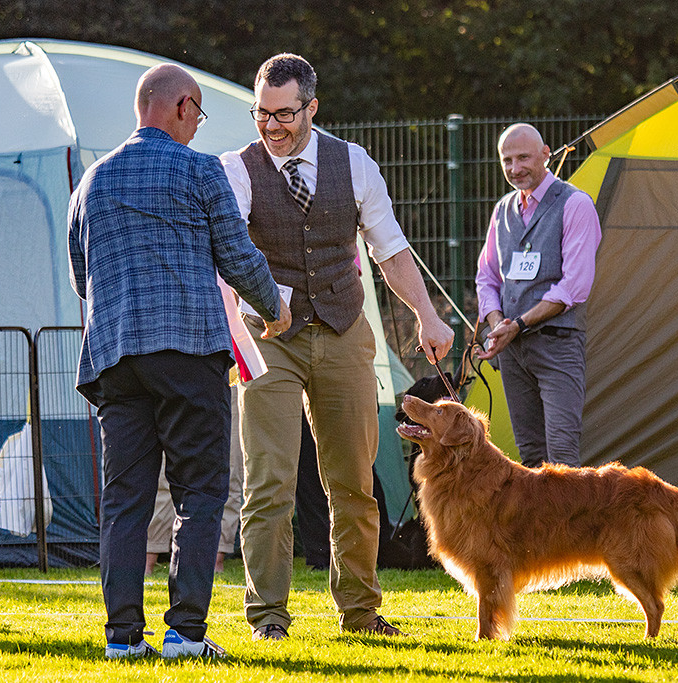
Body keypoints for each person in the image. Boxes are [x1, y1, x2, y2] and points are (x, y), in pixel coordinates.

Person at [220, 53, 454, 641]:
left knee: (353, 482)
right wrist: (254, 310)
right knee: (268, 484)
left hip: (344, 331)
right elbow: (226, 253)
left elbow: (389, 248)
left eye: (284, 114)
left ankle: (361, 613)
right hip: (268, 339)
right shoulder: (236, 169)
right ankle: (268, 617)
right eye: (262, 113)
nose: (271, 126)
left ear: (312, 108)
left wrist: (426, 315)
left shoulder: (355, 163)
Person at [67, 63, 290, 660]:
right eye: (199, 114)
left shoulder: (92, 181)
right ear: (184, 107)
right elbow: (237, 257)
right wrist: (275, 310)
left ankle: (122, 639)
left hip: (115, 357)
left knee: (125, 500)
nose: (198, 125)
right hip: (188, 351)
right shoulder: (200, 170)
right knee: (200, 491)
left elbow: (83, 280)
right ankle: (185, 633)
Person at [474, 123, 602, 468]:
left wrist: (517, 324)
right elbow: (487, 277)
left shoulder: (575, 204)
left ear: (545, 154)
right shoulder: (502, 210)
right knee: (530, 456)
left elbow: (574, 286)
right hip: (513, 351)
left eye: (523, 158)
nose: (515, 168)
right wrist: (497, 325)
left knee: (561, 457)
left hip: (558, 345)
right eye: (507, 160)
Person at [145, 385, 244, 576]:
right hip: (176, 380)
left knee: (228, 469)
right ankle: (149, 558)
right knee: (163, 474)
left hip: (227, 380)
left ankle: (217, 559)